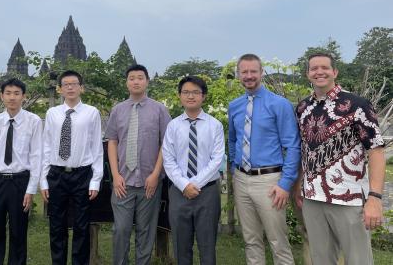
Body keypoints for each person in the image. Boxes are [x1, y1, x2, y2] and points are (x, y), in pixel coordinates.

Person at [294, 52, 385, 265]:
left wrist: (374, 198)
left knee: (358, 260)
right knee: (321, 260)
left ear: (334, 72)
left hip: (348, 199)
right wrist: (299, 184)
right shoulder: (302, 108)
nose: (319, 72)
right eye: (314, 68)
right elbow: (304, 149)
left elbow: (376, 151)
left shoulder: (357, 105)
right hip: (313, 199)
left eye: (324, 67)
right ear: (308, 74)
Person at [228, 54, 300, 265]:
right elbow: (232, 140)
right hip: (241, 180)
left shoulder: (280, 104)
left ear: (261, 73)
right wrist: (234, 168)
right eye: (244, 72)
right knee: (251, 240)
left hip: (270, 182)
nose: (249, 76)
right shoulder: (235, 105)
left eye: (253, 71)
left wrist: (285, 184)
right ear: (239, 74)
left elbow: (293, 145)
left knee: (278, 241)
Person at [106, 64, 171, 265]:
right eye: (132, 78)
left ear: (147, 81)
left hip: (149, 182)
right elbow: (112, 141)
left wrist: (156, 174)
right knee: (121, 229)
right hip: (123, 182)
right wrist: (116, 176)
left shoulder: (159, 109)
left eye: (140, 78)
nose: (136, 81)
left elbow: (166, 143)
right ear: (127, 83)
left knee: (146, 230)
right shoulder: (118, 110)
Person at [0, 78, 42, 265]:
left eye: (16, 93)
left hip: (20, 181)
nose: (12, 98)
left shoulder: (33, 121)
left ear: (24, 97)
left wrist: (31, 189)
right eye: (8, 93)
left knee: (18, 230)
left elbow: (37, 156)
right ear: (1, 96)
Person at [40, 70, 103, 265]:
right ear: (60, 89)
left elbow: (96, 148)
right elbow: (46, 146)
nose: (70, 87)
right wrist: (43, 180)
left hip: (82, 174)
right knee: (57, 225)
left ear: (81, 87)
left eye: (74, 83)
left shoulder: (92, 113)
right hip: (57, 174)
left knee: (81, 226)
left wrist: (95, 180)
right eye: (65, 84)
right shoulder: (52, 113)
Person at [162, 76, 224, 265]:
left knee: (207, 246)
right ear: (180, 96)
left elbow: (217, 159)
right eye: (186, 92)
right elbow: (168, 158)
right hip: (179, 192)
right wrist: (184, 185)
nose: (191, 96)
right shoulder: (173, 126)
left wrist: (194, 184)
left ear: (203, 96)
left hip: (207, 192)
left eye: (196, 92)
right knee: (181, 246)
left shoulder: (215, 125)